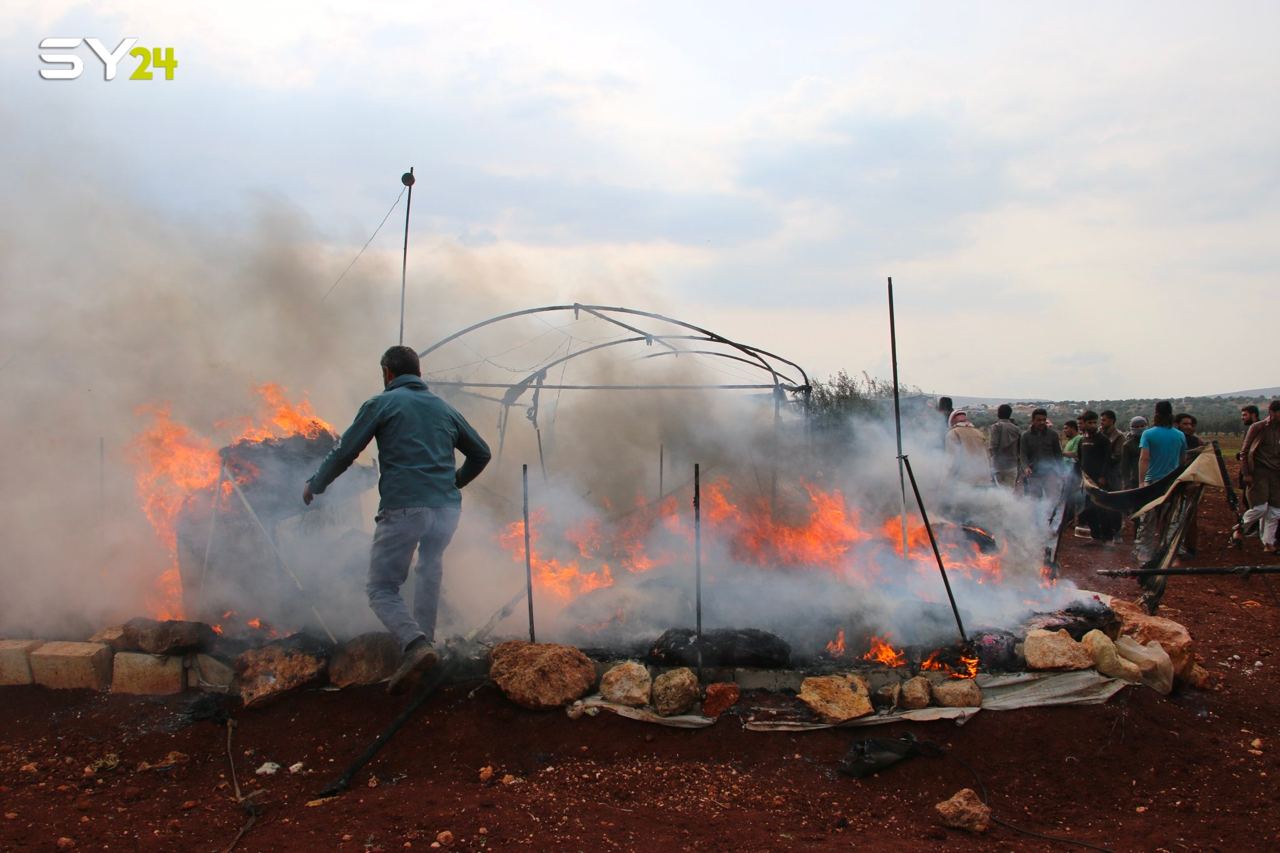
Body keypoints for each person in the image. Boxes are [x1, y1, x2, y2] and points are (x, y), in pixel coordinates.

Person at [304, 345, 492, 692]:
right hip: (447, 509)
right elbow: (481, 452)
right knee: (429, 568)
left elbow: (346, 451)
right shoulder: (444, 408)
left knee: (381, 587)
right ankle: (426, 649)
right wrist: (455, 483)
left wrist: (316, 484)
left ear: (387, 372)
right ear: (418, 372)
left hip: (405, 507)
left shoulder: (382, 404)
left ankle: (415, 645)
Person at [1239, 400, 1280, 554]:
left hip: (1276, 475)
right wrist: (1247, 474)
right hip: (1259, 473)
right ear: (1273, 412)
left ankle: (1268, 543)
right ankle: (1239, 528)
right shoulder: (1258, 428)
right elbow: (1244, 452)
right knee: (1260, 508)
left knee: (1275, 511)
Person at [1076, 411, 1120, 542]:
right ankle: (1095, 536)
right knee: (1088, 509)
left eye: (1095, 422)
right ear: (1083, 423)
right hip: (1086, 480)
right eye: (1089, 423)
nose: (1093, 425)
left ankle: (1108, 538)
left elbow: (1107, 460)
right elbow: (1080, 459)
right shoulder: (1082, 440)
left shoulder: (1103, 440)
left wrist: (1102, 476)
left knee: (1101, 509)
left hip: (1099, 480)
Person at [1138, 400, 1187, 485]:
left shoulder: (1147, 434)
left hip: (1152, 481)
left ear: (1156, 414)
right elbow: (1182, 459)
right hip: (1172, 481)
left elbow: (1144, 459)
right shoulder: (1180, 435)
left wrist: (1141, 482)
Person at [1019, 408, 1062, 499]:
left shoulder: (1053, 435)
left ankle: (1052, 513)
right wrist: (1026, 467)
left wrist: (1060, 471)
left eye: (1044, 420)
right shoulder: (1025, 436)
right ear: (1033, 421)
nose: (1042, 422)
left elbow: (1058, 454)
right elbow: (1023, 454)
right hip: (1034, 474)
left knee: (1052, 499)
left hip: (1050, 473)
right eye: (1039, 420)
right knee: (1035, 500)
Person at [1236, 405, 1262, 542]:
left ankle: (1253, 528)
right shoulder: (1252, 429)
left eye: (1245, 415)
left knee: (1254, 502)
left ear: (1253, 415)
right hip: (1246, 469)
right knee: (1247, 501)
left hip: (1254, 472)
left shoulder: (1258, 429)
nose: (1242, 418)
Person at [945, 411, 991, 486]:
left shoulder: (953, 433)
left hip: (965, 481)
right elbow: (987, 456)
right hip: (984, 478)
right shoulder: (979, 432)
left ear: (952, 422)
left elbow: (952, 461)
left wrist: (946, 480)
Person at [987, 404, 1021, 488]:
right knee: (1009, 493)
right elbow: (1020, 448)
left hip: (998, 466)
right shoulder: (1016, 429)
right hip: (1012, 466)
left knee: (998, 493)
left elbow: (993, 446)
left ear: (998, 414)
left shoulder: (996, 427)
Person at [1120, 416, 1148, 490]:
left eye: (1142, 426)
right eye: (1137, 426)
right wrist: (1126, 483)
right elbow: (1125, 467)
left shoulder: (1151, 441)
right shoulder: (1128, 445)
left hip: (1151, 478)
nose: (1140, 428)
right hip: (1135, 480)